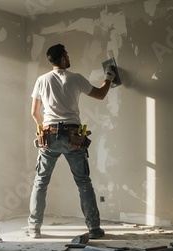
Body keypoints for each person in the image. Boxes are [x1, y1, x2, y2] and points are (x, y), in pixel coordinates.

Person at [28, 44, 115, 239]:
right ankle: (94, 229)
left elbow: (34, 112)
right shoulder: (75, 78)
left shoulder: (41, 80)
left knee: (40, 182)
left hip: (49, 135)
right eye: (68, 55)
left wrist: (44, 130)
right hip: (73, 137)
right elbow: (100, 94)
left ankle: (34, 229)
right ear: (64, 58)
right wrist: (109, 76)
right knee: (83, 182)